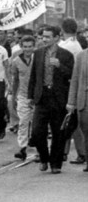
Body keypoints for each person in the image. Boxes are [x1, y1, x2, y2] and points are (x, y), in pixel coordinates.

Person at [28, 25, 74, 174]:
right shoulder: (39, 53)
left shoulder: (66, 55)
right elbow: (34, 76)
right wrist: (30, 96)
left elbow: (72, 75)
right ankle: (43, 157)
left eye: (48, 36)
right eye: (43, 36)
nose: (44, 39)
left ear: (56, 38)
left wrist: (60, 66)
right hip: (42, 97)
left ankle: (56, 163)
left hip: (58, 98)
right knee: (37, 131)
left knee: (58, 133)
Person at [58, 18, 85, 166]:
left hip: (67, 85)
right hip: (73, 85)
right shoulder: (77, 44)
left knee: (70, 121)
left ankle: (77, 152)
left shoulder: (67, 46)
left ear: (62, 30)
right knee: (72, 121)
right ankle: (68, 151)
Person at [11, 35, 36, 160]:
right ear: (21, 47)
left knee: (37, 123)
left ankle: (38, 148)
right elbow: (15, 79)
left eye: (30, 46)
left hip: (36, 96)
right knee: (23, 122)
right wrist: (14, 95)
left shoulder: (37, 59)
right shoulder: (16, 61)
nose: (28, 49)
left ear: (34, 46)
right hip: (23, 95)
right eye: (25, 47)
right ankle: (22, 147)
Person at [67, 44, 88, 173]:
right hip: (84, 101)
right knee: (86, 132)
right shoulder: (81, 55)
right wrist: (71, 102)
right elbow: (75, 80)